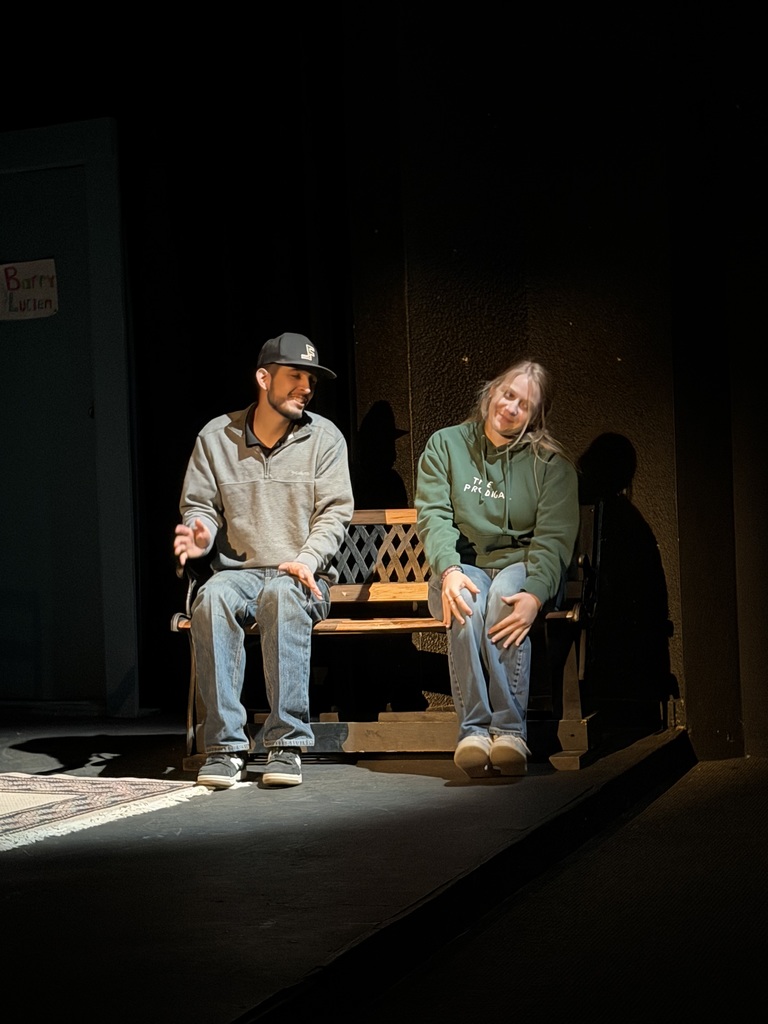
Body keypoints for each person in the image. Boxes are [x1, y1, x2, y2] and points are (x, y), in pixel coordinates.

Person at [173, 332, 354, 789]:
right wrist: (200, 534)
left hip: (303, 575)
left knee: (282, 593)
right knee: (211, 597)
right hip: (238, 572)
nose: (305, 387)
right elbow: (200, 508)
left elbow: (335, 512)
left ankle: (287, 742)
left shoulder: (324, 438)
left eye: (310, 379)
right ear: (263, 378)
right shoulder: (215, 438)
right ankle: (226, 749)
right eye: (295, 376)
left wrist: (307, 559)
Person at [415, 359, 579, 779]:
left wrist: (537, 594)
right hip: (461, 566)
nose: (510, 407)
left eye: (524, 405)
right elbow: (433, 515)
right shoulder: (446, 445)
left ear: (536, 417)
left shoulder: (550, 466)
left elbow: (553, 539)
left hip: (524, 567)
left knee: (505, 598)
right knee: (466, 597)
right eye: (508, 394)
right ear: (491, 392)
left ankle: (509, 732)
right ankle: (472, 731)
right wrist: (449, 570)